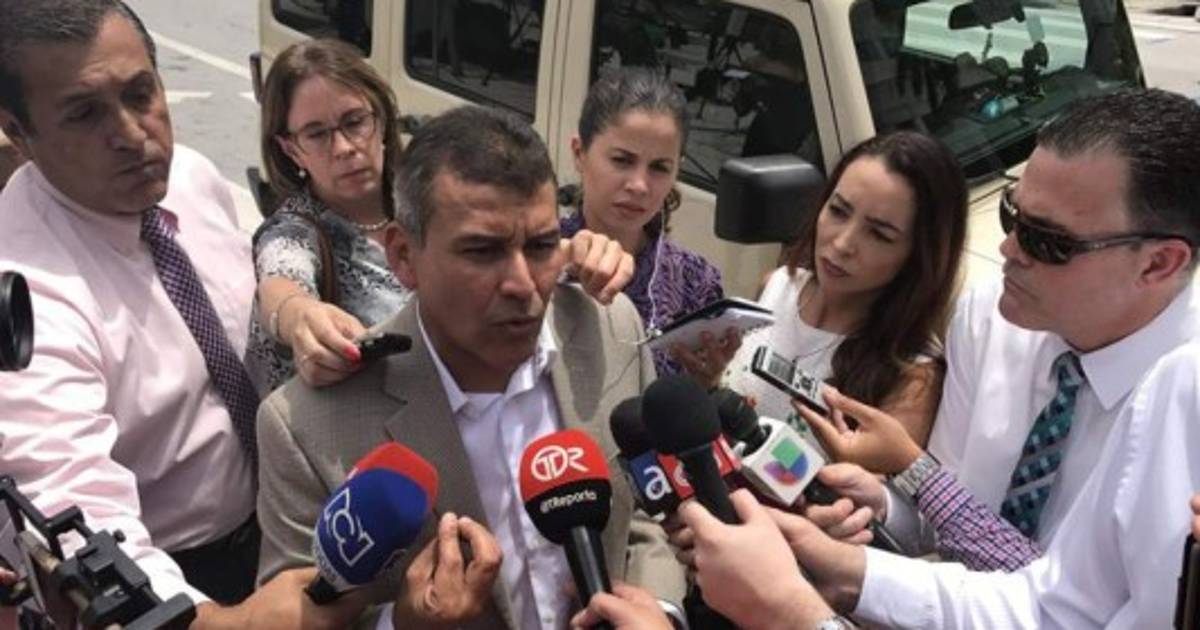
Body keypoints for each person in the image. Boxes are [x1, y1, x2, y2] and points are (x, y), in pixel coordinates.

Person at [767, 88, 1200, 628]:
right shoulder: (989, 316)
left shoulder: (1184, 396)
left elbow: (1070, 608)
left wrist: (824, 593)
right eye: (1011, 214)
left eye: (1047, 241)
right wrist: (876, 510)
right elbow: (955, 540)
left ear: (1159, 264)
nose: (1008, 249)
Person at [0, 1, 373, 627]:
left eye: (140, 93)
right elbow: (76, 512)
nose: (132, 134)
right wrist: (220, 622)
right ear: (19, 130)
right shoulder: (24, 297)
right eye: (84, 113)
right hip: (182, 575)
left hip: (291, 513)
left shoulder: (191, 179)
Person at [255, 105, 687, 629]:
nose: (523, 285)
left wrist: (661, 611)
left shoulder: (611, 328)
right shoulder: (306, 428)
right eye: (483, 251)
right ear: (403, 256)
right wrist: (402, 624)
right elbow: (293, 616)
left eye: (542, 246)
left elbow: (646, 513)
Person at [251, 39, 635, 391]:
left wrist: (577, 253)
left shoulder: (429, 192)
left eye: (354, 122)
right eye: (317, 134)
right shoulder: (295, 231)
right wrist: (299, 315)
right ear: (290, 149)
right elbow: (280, 281)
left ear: (381, 120)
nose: (344, 147)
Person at [712, 131, 967, 446]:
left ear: (920, 255)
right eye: (838, 211)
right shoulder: (776, 286)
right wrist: (707, 380)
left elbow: (875, 478)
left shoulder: (913, 378)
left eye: (879, 235)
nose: (843, 243)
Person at [559, 67, 726, 377]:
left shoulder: (696, 285)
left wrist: (706, 384)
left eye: (659, 168)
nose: (639, 185)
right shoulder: (540, 258)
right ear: (580, 153)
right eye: (622, 160)